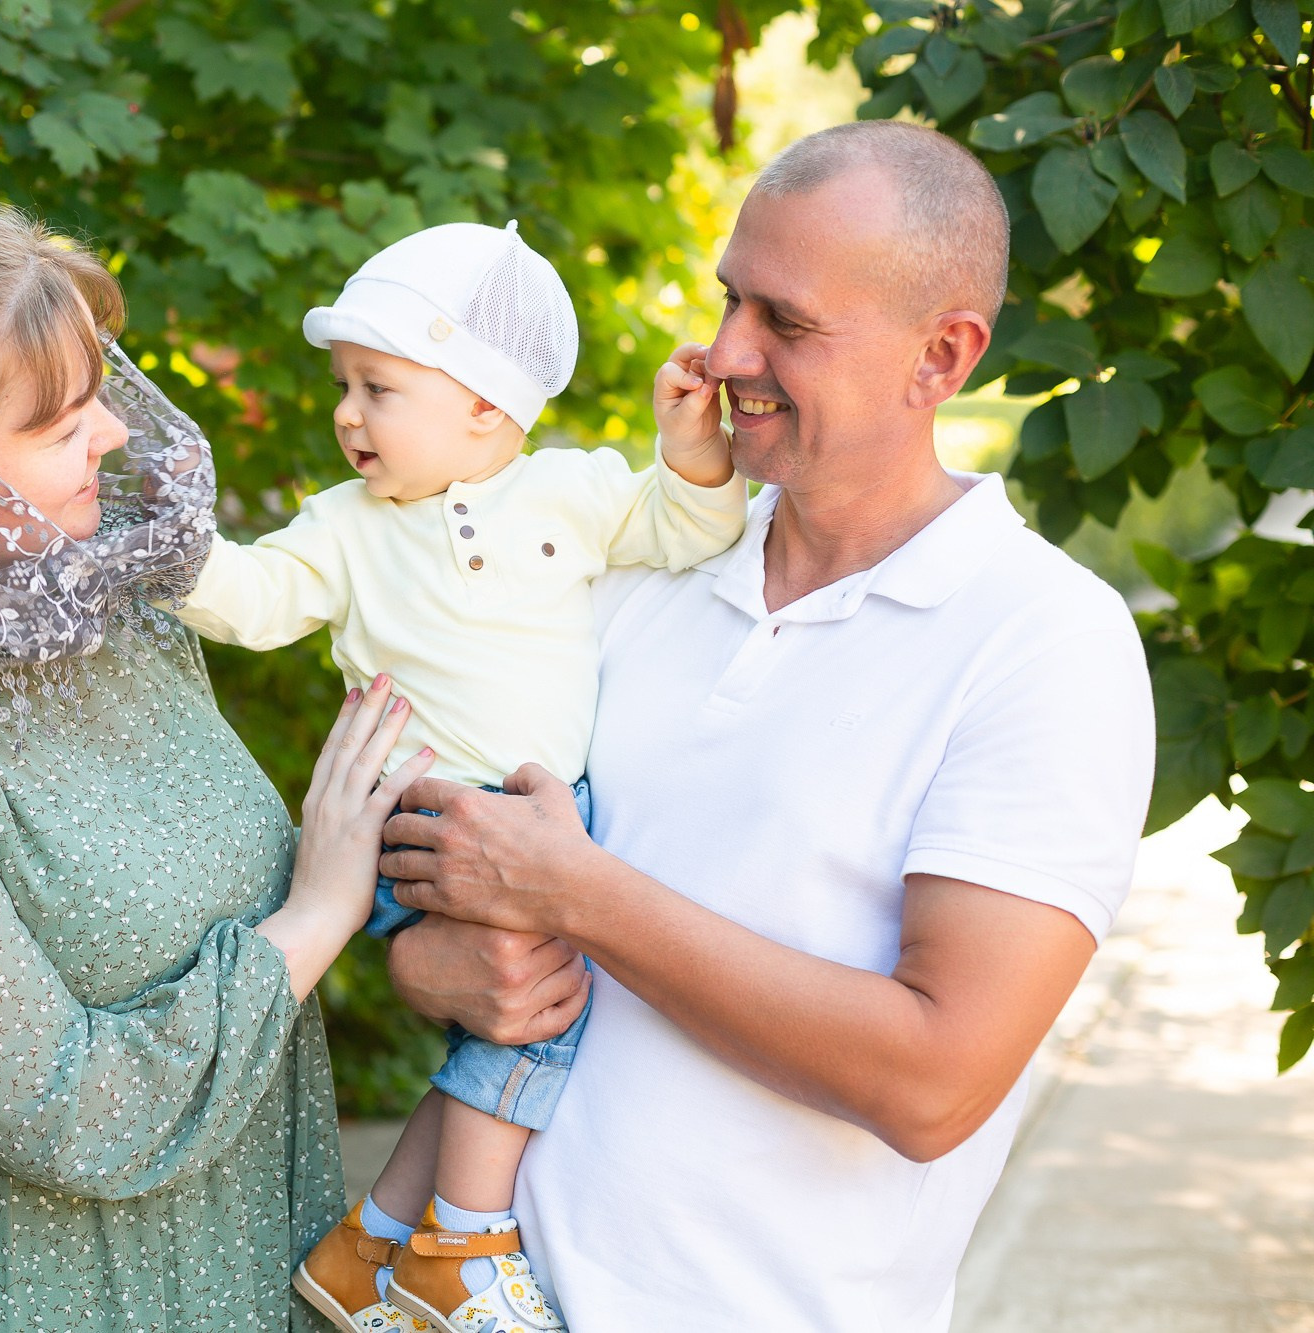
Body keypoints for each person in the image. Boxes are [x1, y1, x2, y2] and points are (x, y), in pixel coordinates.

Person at [376, 121, 1157, 1331]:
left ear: (937, 358)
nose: (727, 349)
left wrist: (578, 895)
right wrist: (426, 964)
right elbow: (457, 872)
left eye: (785, 323)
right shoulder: (637, 558)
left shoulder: (1044, 641)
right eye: (730, 298)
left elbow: (933, 1082)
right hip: (464, 1299)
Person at [0, 205, 433, 1331]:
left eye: (100, 392)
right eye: (59, 424)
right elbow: (71, 1111)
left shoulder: (129, 630)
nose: (109, 433)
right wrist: (320, 913)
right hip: (33, 1291)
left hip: (247, 1266)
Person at [172, 220, 747, 1332]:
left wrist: (690, 449)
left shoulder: (574, 491)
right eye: (343, 385)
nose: (345, 413)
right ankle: (465, 1247)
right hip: (434, 820)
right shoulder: (341, 529)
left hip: (535, 819)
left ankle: (373, 1240)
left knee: (509, 1019)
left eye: (377, 387)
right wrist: (163, 553)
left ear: (484, 404)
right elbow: (251, 602)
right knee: (536, 1016)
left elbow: (686, 529)